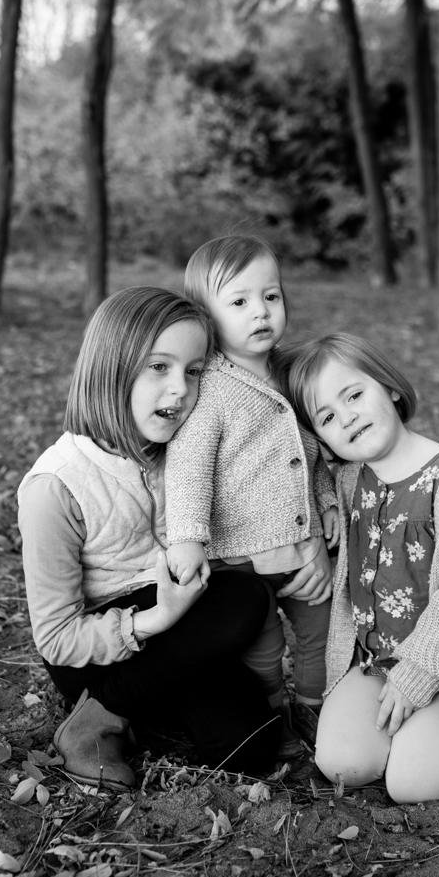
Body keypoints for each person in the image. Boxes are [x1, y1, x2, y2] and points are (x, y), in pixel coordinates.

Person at [17, 286, 281, 790]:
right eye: (159, 367)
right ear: (112, 367)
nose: (180, 389)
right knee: (243, 599)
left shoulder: (186, 454)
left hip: (184, 638)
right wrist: (159, 618)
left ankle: (144, 714)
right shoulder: (55, 486)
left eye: (194, 370)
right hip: (102, 653)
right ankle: (96, 720)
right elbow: (56, 638)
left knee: (252, 748)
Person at [286, 331, 439, 804]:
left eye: (355, 395)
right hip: (372, 662)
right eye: (327, 417)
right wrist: (322, 497)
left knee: (414, 785)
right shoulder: (345, 482)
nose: (348, 418)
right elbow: (296, 452)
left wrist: (418, 677)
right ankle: (409, 733)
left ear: (391, 387)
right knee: (344, 766)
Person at [164, 233, 337, 753]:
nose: (259, 312)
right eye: (238, 302)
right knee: (262, 647)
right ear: (206, 317)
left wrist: (327, 502)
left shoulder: (291, 374)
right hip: (238, 555)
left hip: (301, 548)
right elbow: (188, 469)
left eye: (271, 296)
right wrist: (188, 537)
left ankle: (314, 710)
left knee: (321, 635)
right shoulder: (211, 389)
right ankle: (267, 716)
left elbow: (315, 453)